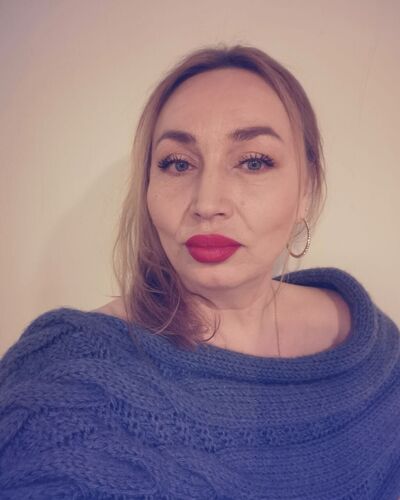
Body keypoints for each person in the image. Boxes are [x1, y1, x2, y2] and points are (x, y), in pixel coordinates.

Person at [0, 44, 399, 499]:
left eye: (253, 161)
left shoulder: (374, 348)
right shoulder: (64, 374)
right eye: (178, 163)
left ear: (306, 189)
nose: (208, 203)